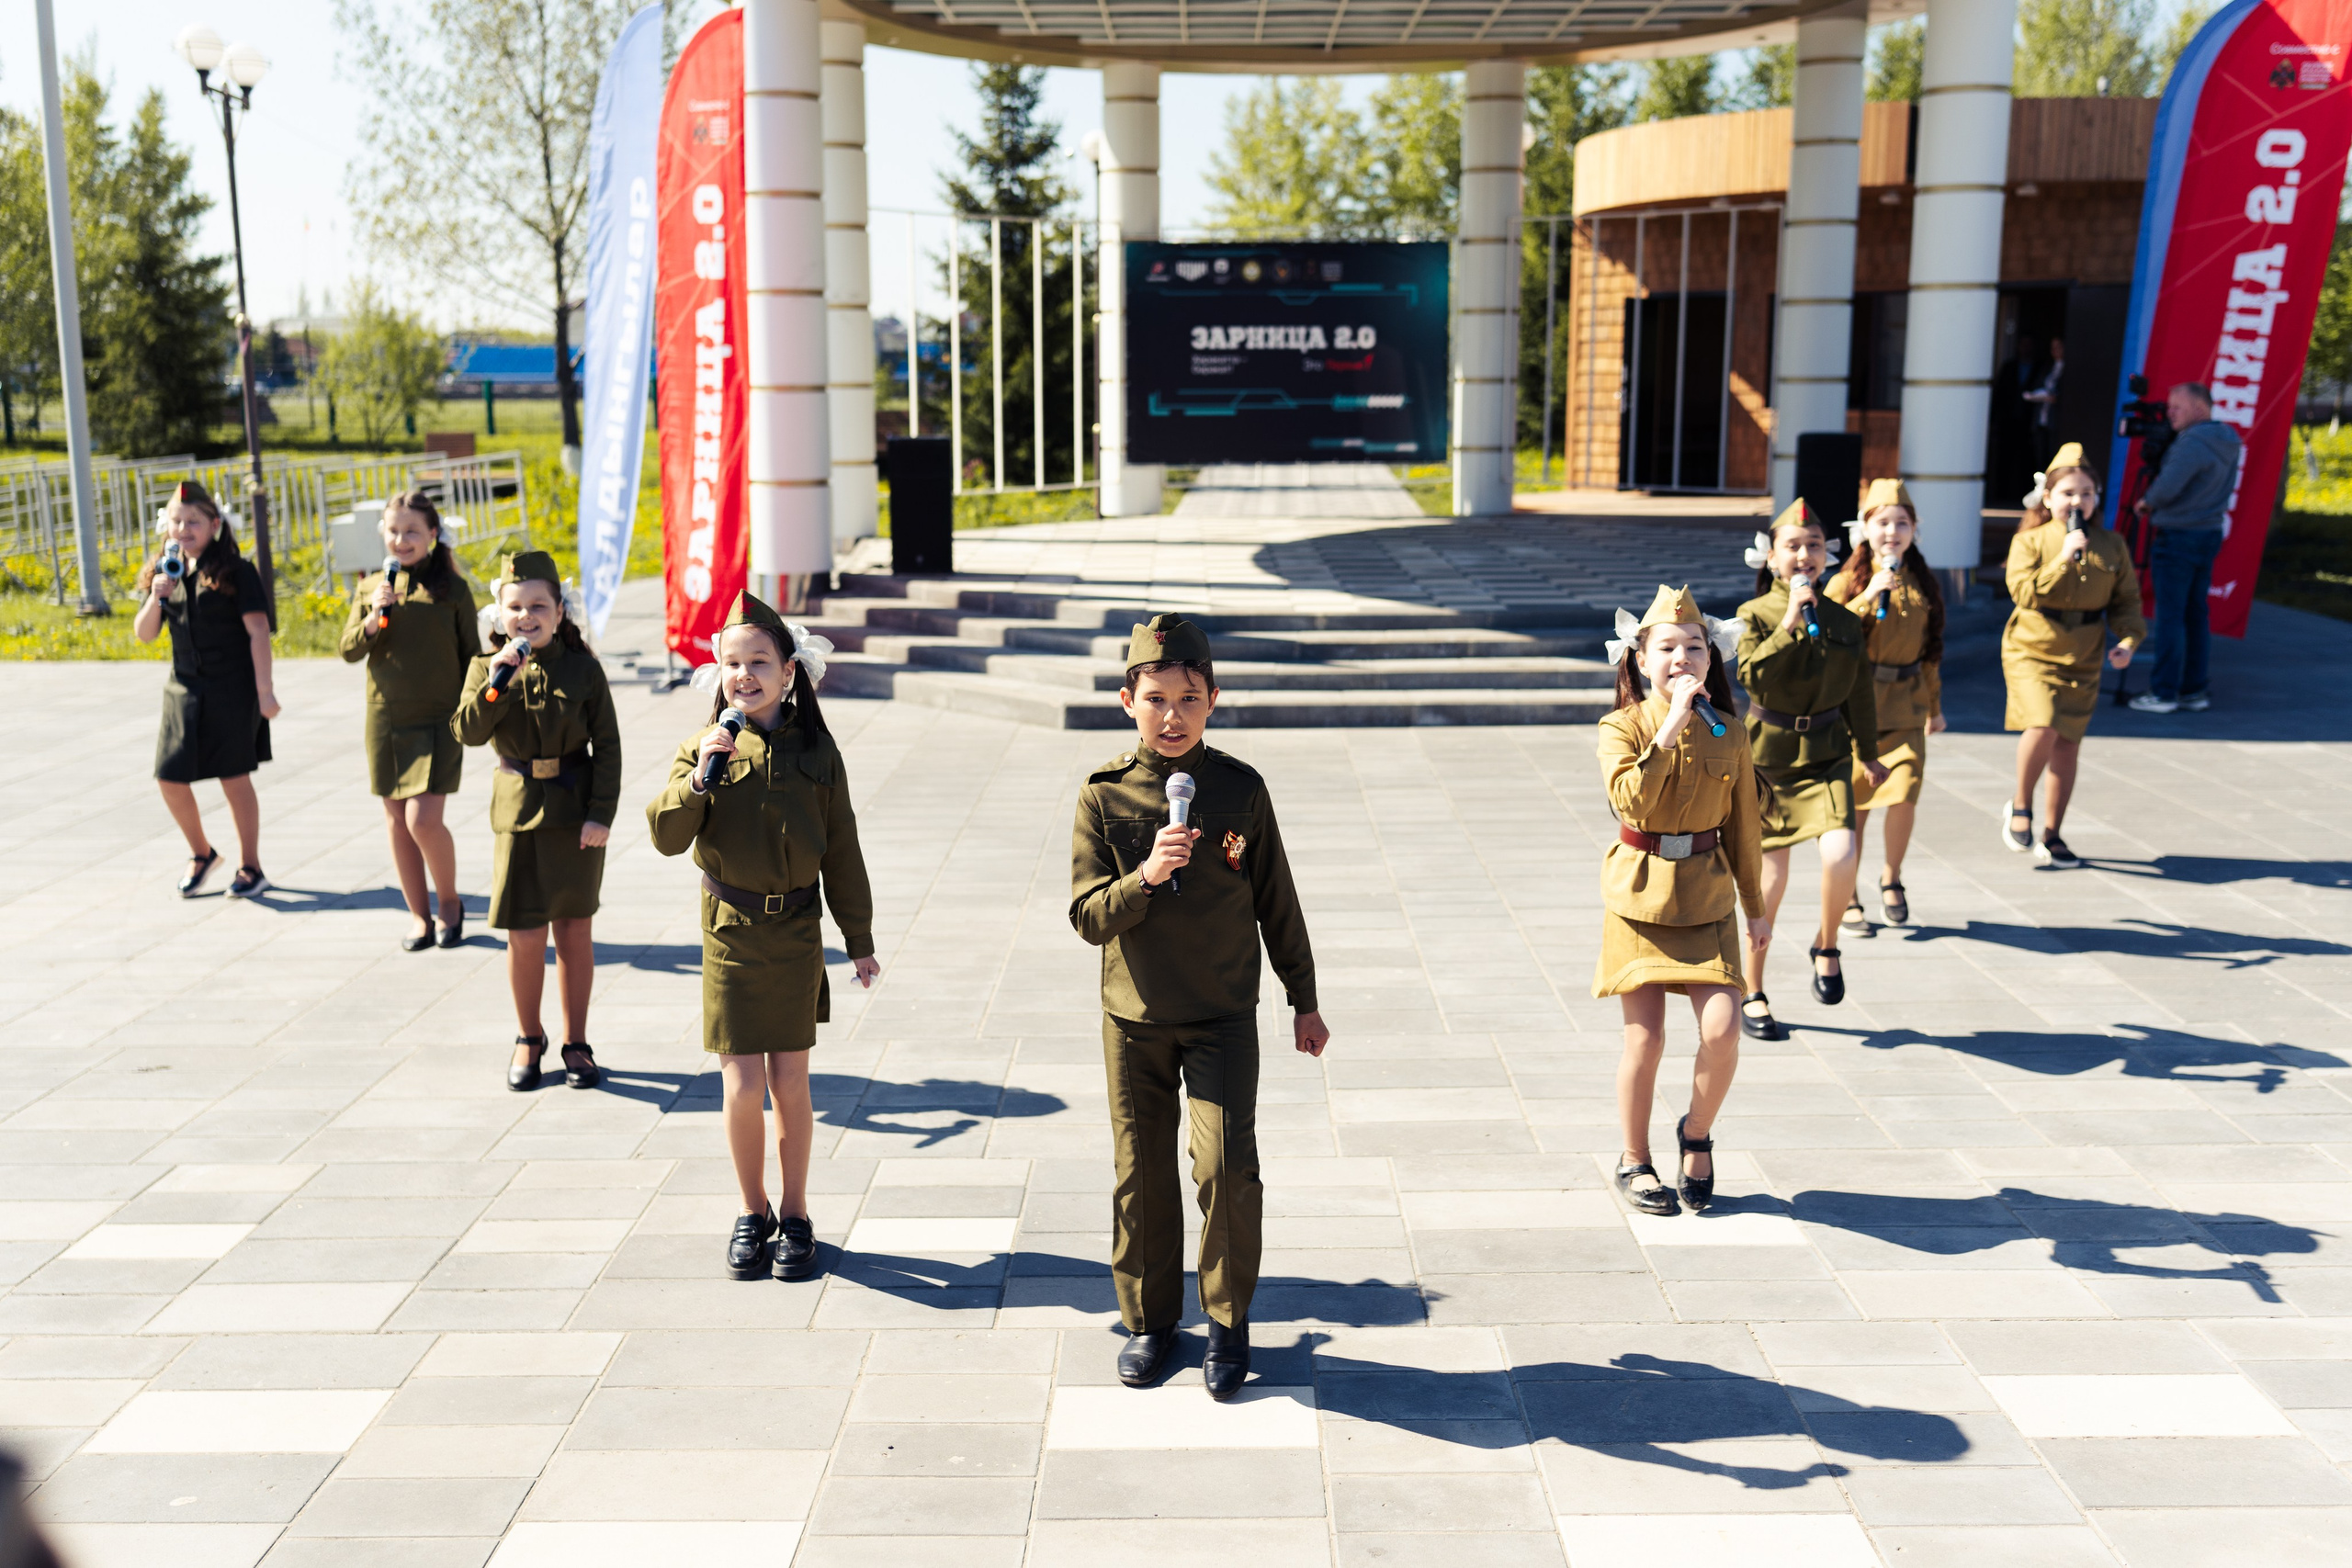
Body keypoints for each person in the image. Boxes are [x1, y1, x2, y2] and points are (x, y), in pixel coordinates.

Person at [1070, 614, 1328, 1400]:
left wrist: (1304, 998)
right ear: (1128, 702)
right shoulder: (1104, 793)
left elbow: (1277, 899)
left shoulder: (1241, 789)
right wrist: (1145, 876)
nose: (1172, 716)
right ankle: (1150, 1322)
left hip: (1221, 1014)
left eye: (1189, 699)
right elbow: (1087, 916)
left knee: (1224, 1167)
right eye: (1156, 699)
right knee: (1141, 1175)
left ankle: (1227, 1321)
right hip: (1134, 1019)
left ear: (1214, 699)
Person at [647, 592, 876, 1284]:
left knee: (791, 1081)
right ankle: (753, 1211)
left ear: (789, 671)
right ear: (716, 672)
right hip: (731, 935)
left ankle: (797, 1214)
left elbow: (842, 847)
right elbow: (665, 836)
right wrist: (697, 780)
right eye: (732, 663)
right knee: (743, 1084)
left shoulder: (818, 750)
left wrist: (858, 937)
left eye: (759, 662)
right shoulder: (702, 748)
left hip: (796, 932)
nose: (744, 675)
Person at [1595, 586, 1765, 1218]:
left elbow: (1745, 825)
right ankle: (1634, 1158)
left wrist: (1756, 906)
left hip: (1708, 893)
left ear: (1710, 659)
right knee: (1645, 1039)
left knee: (1723, 1028)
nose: (1682, 658)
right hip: (1639, 895)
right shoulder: (1621, 726)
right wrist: (1668, 729)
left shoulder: (1731, 732)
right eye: (1666, 647)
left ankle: (1696, 1133)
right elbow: (1630, 803)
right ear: (1641, 660)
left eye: (1695, 647)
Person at [452, 551, 619, 1090]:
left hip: (575, 815)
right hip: (518, 814)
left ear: (559, 611)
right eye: (516, 607)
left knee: (574, 933)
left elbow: (608, 746)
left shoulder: (583, 668)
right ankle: (529, 1036)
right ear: (499, 613)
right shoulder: (485, 667)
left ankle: (577, 1042)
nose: (526, 616)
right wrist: (499, 681)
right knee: (524, 934)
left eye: (539, 606)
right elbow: (467, 732)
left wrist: (601, 814)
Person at [1735, 502, 1887, 1042]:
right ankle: (1753, 989)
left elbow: (1859, 692)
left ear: (1828, 555)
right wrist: (1789, 624)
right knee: (1769, 883)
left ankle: (1827, 943)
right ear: (1772, 557)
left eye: (1815, 545)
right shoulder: (1754, 614)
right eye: (1793, 546)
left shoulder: (1843, 619)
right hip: (1768, 759)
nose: (1805, 555)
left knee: (1842, 853)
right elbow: (1751, 677)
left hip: (1827, 754)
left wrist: (1869, 752)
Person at [339, 491, 481, 951]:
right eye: (394, 530)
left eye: (412, 532)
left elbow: (472, 656)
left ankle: (450, 903)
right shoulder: (370, 587)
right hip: (387, 718)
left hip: (439, 718)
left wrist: (477, 711)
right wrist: (371, 620)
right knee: (398, 820)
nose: (401, 540)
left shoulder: (453, 589)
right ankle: (419, 916)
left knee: (423, 820)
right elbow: (348, 649)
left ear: (433, 534)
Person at [133, 480, 280, 899]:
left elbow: (258, 631)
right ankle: (202, 853)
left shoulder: (236, 571)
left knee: (233, 777)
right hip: (183, 689)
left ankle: (251, 866)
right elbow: (144, 634)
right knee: (169, 776)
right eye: (176, 521)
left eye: (193, 522)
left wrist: (265, 691)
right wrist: (156, 597)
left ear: (215, 525)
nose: (183, 530)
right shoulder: (166, 569)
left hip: (231, 688)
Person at [2002, 445, 2145, 868]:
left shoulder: (2112, 545)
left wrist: (2128, 641)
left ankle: (2053, 834)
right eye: (2067, 493)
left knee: (2067, 743)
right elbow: (2023, 592)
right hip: (2033, 647)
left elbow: (2126, 602)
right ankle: (2021, 803)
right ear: (2047, 498)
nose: (2077, 501)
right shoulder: (2029, 541)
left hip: (2084, 651)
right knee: (2043, 722)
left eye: (2086, 493)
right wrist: (2063, 558)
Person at [1826, 479, 1945, 933]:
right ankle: (1849, 890)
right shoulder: (1847, 581)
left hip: (1907, 704)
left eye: (1902, 523)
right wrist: (1867, 595)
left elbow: (1930, 651)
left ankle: (1892, 877)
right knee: (1856, 805)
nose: (1892, 531)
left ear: (1914, 529)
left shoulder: (1922, 583)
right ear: (1865, 529)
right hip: (1858, 707)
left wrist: (1935, 707)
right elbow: (1828, 634)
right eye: (1882, 522)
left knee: (1906, 792)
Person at [2129, 382, 2241, 714]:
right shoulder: (2227, 438)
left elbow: (2168, 487)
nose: (2170, 414)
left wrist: (2147, 502)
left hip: (2178, 536)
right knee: (2195, 615)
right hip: (2207, 533)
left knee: (2171, 618)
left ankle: (2163, 693)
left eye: (2177, 408)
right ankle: (2193, 691)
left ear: (2199, 408)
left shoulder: (2193, 441)